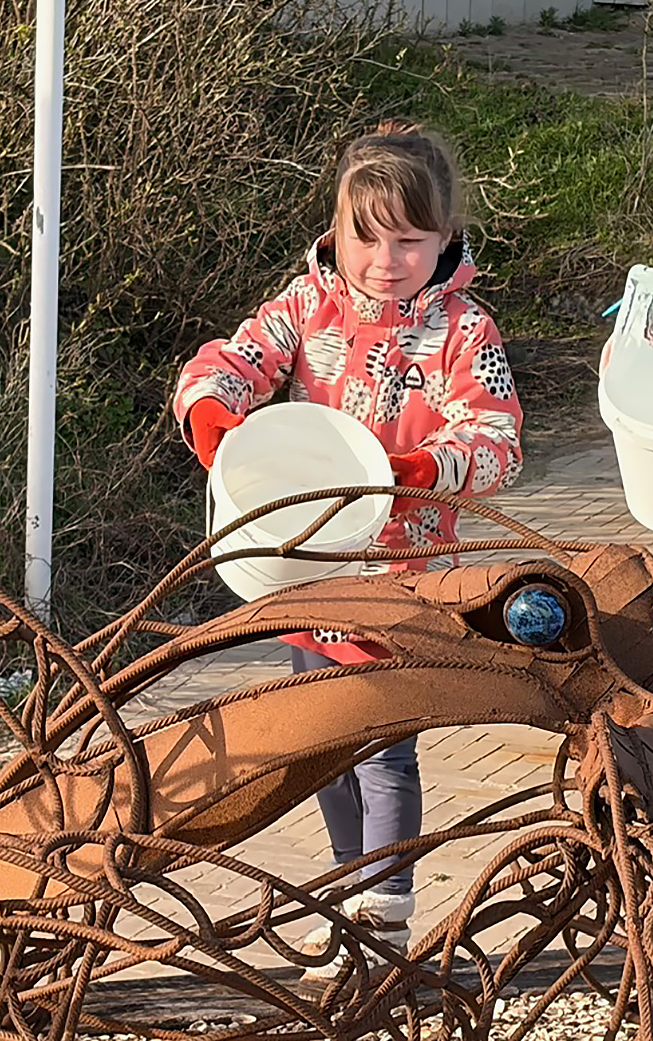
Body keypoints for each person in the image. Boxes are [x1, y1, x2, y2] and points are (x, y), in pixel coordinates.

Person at [171, 119, 524, 992]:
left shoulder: (463, 330)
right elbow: (229, 363)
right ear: (337, 228)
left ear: (446, 238)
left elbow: (497, 441)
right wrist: (211, 414)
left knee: (382, 747)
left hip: (405, 578)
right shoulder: (305, 307)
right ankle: (349, 894)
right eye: (367, 238)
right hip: (306, 568)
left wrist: (420, 469)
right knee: (321, 742)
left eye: (410, 242)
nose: (385, 262)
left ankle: (386, 914)